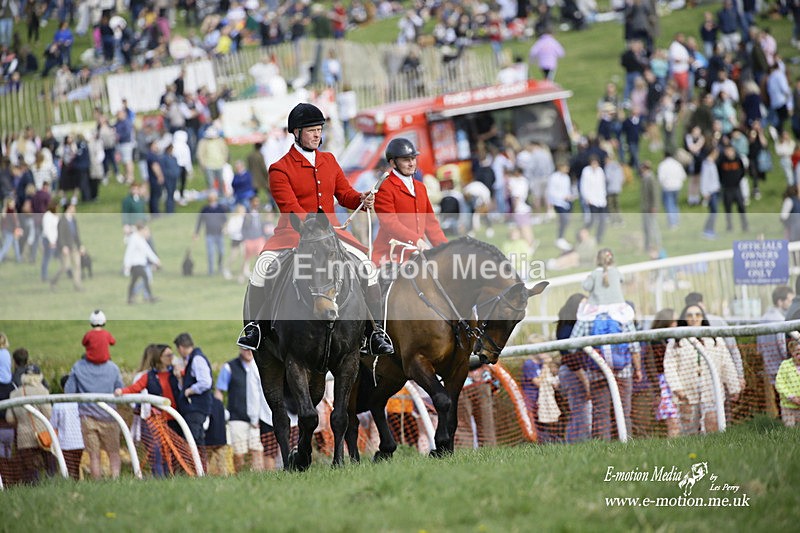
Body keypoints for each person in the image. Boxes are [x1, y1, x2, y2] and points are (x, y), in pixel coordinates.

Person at [237, 103, 393, 357]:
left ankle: (374, 333)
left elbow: (344, 194)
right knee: (262, 267)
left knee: (366, 266)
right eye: (311, 130)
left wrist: (362, 199)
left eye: (319, 130)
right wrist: (314, 228)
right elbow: (289, 206)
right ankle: (254, 327)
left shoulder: (329, 160)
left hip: (332, 233)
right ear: (296, 132)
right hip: (293, 234)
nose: (317, 135)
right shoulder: (279, 168)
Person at [569, 249, 641, 440]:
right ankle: (626, 443)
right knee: (623, 411)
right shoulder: (622, 313)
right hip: (623, 370)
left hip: (596, 371)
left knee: (601, 414)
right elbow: (633, 344)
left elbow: (572, 344)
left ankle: (603, 447)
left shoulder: (588, 315)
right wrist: (638, 368)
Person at [663, 304, 741, 435]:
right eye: (690, 315)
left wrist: (734, 387)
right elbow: (670, 366)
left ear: (703, 317)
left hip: (711, 389)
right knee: (688, 428)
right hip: (687, 390)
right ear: (684, 318)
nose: (694, 318)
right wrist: (677, 389)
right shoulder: (676, 342)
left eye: (697, 315)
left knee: (712, 423)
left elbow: (726, 363)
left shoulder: (715, 339)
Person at [371, 137, 448, 264]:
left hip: (417, 256)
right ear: (393, 163)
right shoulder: (385, 187)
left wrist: (446, 249)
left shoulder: (420, 187)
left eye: (413, 158)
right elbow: (390, 223)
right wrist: (416, 240)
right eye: (406, 160)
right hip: (390, 257)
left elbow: (431, 224)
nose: (412, 163)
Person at [114, 343, 181, 476]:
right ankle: (160, 480)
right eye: (168, 355)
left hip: (173, 420)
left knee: (172, 453)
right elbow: (135, 388)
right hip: (154, 421)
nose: (171, 358)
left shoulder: (175, 372)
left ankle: (171, 479)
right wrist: (121, 391)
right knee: (156, 452)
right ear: (159, 357)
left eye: (171, 355)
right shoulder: (147, 376)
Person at [64, 348, 124, 479]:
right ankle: (116, 480)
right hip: (109, 416)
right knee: (114, 453)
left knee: (94, 455)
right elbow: (120, 388)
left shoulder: (78, 367)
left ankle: (96, 482)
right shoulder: (113, 368)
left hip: (87, 417)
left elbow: (69, 391)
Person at [214, 347, 271, 472]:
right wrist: (219, 412)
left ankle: (259, 477)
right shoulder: (229, 367)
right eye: (245, 349)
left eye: (251, 349)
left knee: (258, 451)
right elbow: (219, 391)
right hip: (237, 417)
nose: (248, 351)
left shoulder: (261, 366)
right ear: (240, 349)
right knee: (239, 453)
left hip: (259, 418)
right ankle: (241, 476)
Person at [5, 365, 52, 485]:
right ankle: (52, 486)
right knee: (50, 466)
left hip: (23, 436)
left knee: (29, 470)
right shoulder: (43, 391)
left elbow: (9, 418)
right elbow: (48, 413)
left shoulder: (14, 394)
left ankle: (33, 489)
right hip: (43, 435)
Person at [555, 293, 589, 443]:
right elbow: (571, 358)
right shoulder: (567, 328)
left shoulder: (571, 325)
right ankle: (575, 443)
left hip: (575, 372)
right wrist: (585, 381)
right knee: (581, 413)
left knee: (581, 412)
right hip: (572, 373)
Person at [756, 286, 794, 415]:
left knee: (774, 397)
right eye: (789, 300)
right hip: (781, 365)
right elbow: (782, 344)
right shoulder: (780, 320)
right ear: (780, 301)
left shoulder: (763, 318)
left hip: (769, 365)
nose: (791, 303)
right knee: (786, 397)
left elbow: (759, 346)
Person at [643, 308, 680, 437]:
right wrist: (657, 390)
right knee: (672, 421)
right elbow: (651, 366)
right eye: (674, 321)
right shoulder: (655, 342)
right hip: (664, 384)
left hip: (678, 381)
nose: (676, 323)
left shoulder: (677, 339)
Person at [174, 332, 213, 447]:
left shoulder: (197, 359)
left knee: (193, 441)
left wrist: (190, 390)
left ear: (181, 347)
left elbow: (206, 382)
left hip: (196, 408)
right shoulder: (193, 359)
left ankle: (195, 465)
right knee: (197, 441)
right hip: (195, 408)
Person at [455, 361, 497, 448]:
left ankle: (489, 457)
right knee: (462, 427)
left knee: (486, 425)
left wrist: (485, 370)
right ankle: (464, 458)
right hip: (459, 385)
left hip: (482, 383)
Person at [50, 375, 84, 480]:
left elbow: (53, 425)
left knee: (69, 468)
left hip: (64, 443)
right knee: (77, 467)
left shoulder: (58, 406)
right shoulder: (81, 404)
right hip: (80, 442)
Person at [124, 222, 161, 304]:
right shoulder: (135, 238)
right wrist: (127, 265)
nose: (146, 232)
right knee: (146, 278)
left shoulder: (140, 239)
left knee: (134, 282)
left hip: (140, 264)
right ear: (141, 230)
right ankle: (149, 297)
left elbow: (148, 250)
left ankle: (130, 298)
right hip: (136, 264)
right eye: (145, 230)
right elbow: (129, 252)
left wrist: (156, 260)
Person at [50, 201, 83, 291]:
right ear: (68, 208)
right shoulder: (62, 220)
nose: (74, 210)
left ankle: (77, 285)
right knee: (65, 266)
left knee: (77, 265)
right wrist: (63, 246)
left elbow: (76, 235)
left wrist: (80, 246)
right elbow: (60, 235)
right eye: (73, 208)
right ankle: (53, 281)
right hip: (65, 248)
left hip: (74, 247)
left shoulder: (73, 220)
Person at [194, 191, 228, 276]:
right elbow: (200, 221)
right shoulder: (205, 209)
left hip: (219, 234)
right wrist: (196, 233)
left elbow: (225, 220)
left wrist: (225, 228)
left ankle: (220, 267)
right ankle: (211, 271)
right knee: (210, 253)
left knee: (221, 252)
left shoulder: (220, 208)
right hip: (209, 234)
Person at [775, 337, 800, 427]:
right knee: (790, 431)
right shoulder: (785, 365)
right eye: (797, 353)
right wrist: (791, 397)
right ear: (792, 352)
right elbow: (779, 383)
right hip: (788, 406)